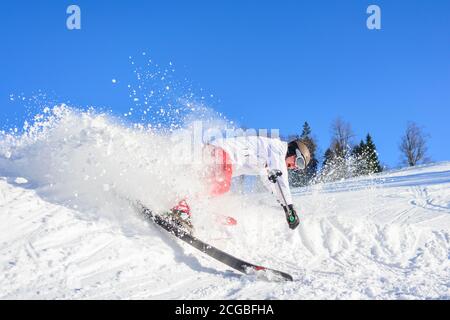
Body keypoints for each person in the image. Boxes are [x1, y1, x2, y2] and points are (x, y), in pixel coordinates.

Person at [168, 136, 311, 232]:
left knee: (212, 188)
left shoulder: (269, 163)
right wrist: (289, 209)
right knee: (222, 185)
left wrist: (283, 204)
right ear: (294, 151)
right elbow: (281, 179)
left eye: (299, 168)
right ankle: (182, 208)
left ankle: (188, 208)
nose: (294, 167)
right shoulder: (278, 149)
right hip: (220, 153)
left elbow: (272, 183)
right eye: (298, 162)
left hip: (215, 155)